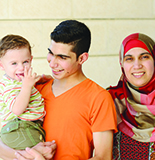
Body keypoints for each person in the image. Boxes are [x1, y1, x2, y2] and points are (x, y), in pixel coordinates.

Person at [0, 20, 117, 160]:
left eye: (62, 57)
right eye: (51, 53)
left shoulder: (99, 97)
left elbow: (103, 157)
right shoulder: (32, 90)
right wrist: (28, 155)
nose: (52, 63)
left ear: (82, 58)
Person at [107, 33, 155, 160]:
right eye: (129, 59)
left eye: (144, 57)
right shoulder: (110, 101)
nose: (137, 65)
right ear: (122, 64)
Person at [0, 34, 46, 150]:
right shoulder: (9, 86)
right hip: (19, 128)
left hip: (24, 127)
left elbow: (23, 86)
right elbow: (17, 109)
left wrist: (39, 80)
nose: (21, 68)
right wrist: (27, 86)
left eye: (25, 62)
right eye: (14, 63)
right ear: (2, 65)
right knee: (41, 153)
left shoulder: (17, 80)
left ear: (31, 59)